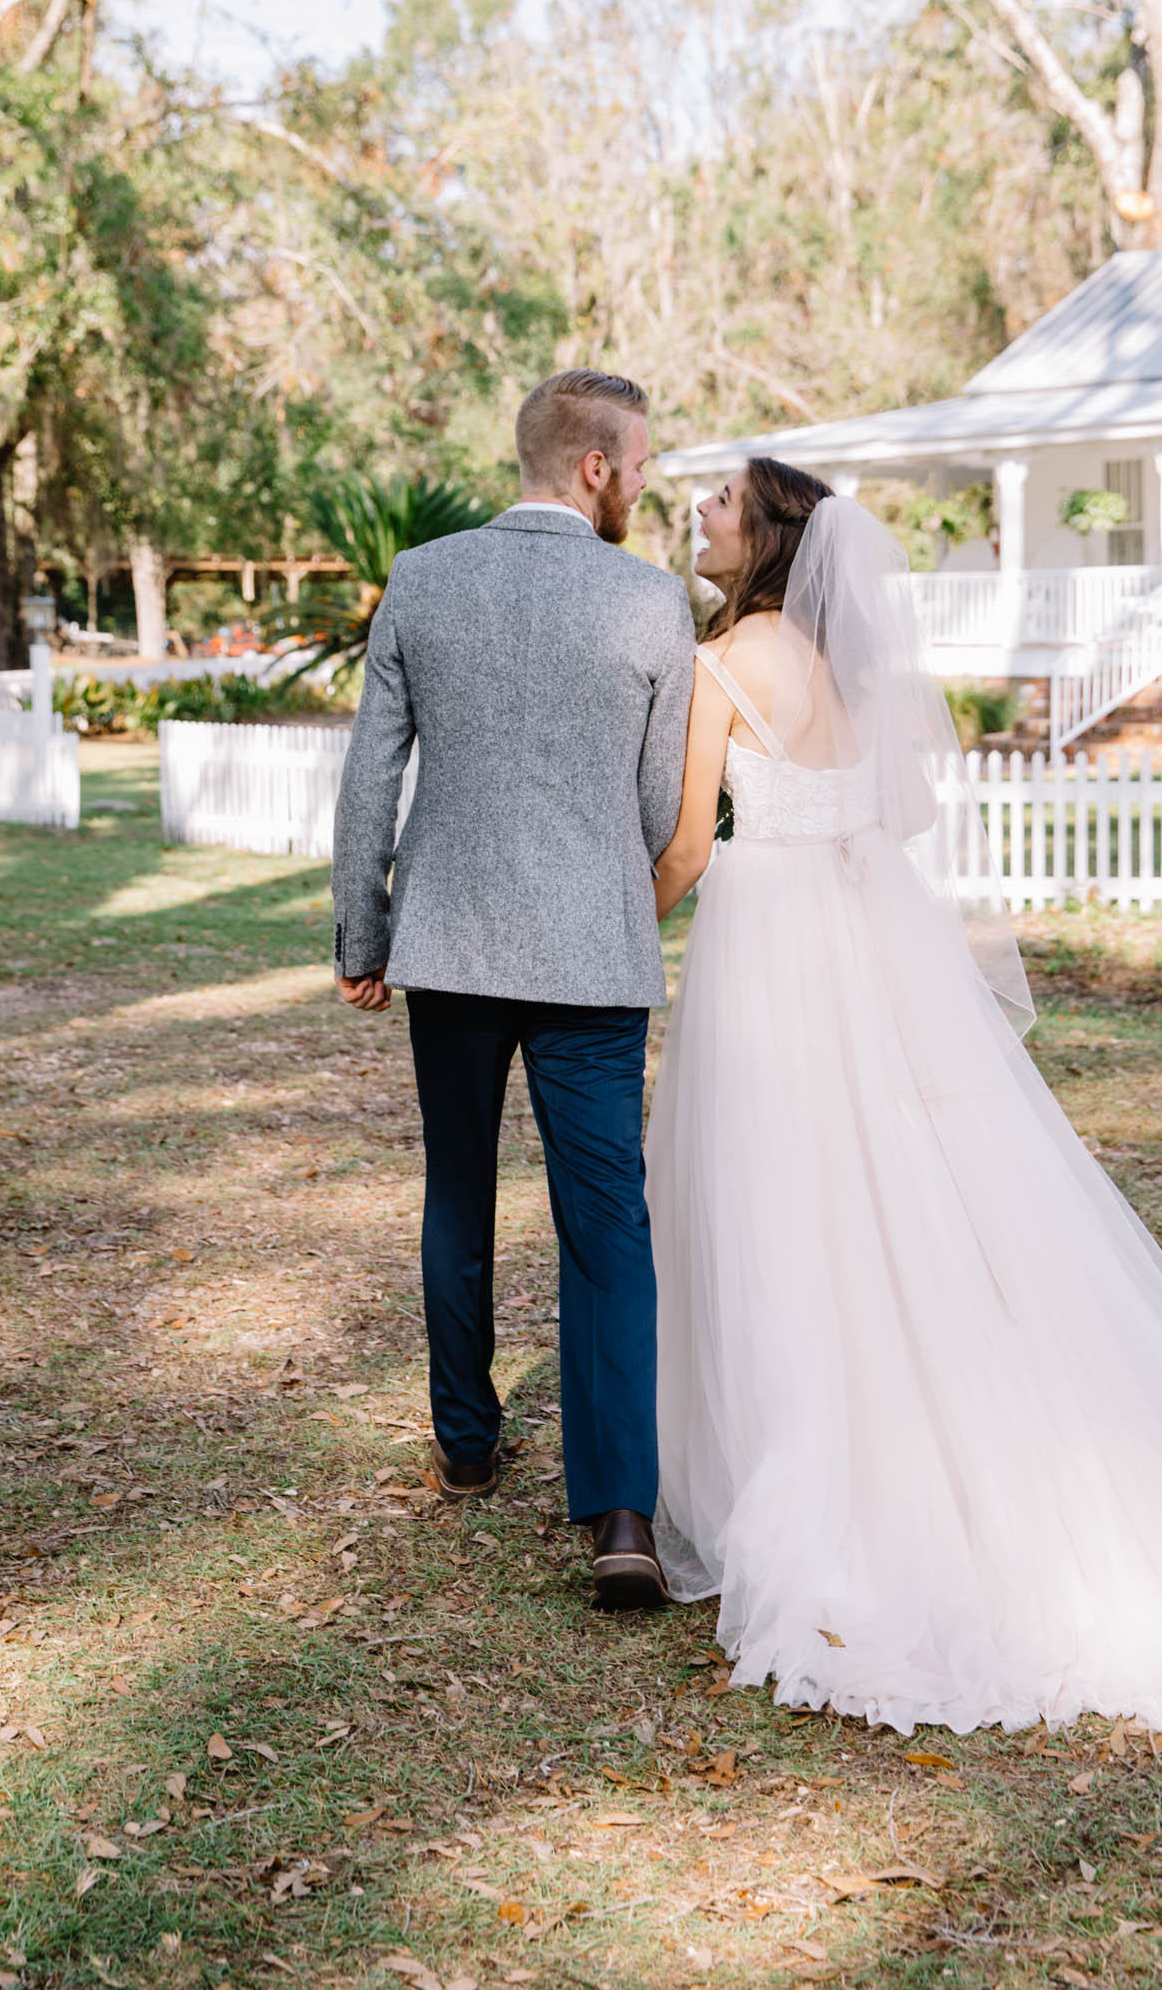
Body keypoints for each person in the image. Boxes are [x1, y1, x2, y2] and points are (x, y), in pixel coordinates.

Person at [645, 458, 1162, 1736]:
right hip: (861, 940)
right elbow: (905, 809)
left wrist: (623, 919)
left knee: (776, 1184)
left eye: (716, 505)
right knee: (899, 1181)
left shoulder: (721, 663)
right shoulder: (852, 668)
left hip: (765, 939)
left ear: (762, 536)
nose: (697, 516)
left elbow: (694, 845)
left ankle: (799, 1459)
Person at [330, 370, 697, 1610]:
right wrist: (598, 878)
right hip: (594, 955)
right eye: (640, 463)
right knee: (609, 1224)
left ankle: (469, 1442)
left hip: (453, 945)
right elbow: (657, 809)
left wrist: (362, 933)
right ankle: (621, 1515)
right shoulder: (652, 602)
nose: (646, 483)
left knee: (460, 1183)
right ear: (594, 465)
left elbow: (370, 777)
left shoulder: (424, 578)